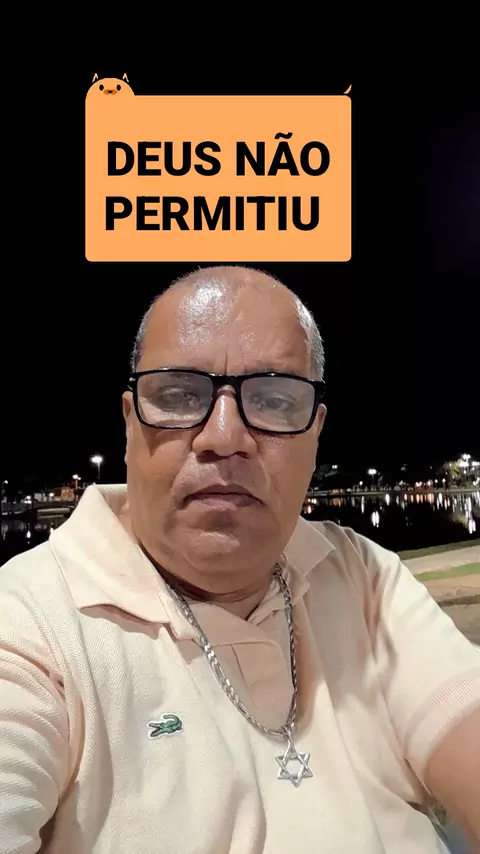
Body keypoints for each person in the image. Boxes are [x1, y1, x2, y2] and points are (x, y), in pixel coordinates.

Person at [0, 266, 478, 854]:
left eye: (274, 400)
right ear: (129, 423)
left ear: (316, 433)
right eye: (178, 396)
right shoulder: (27, 626)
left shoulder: (359, 575)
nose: (224, 436)